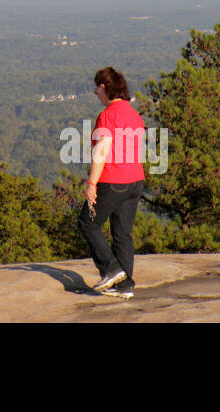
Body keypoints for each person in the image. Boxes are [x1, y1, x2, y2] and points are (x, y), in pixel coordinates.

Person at [78, 67, 145, 299]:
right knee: (122, 234)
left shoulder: (108, 115)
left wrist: (91, 183)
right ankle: (124, 287)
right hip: (135, 181)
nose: (96, 92)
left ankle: (110, 269)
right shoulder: (133, 114)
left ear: (104, 87)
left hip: (112, 180)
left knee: (88, 223)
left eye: (96, 87)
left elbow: (102, 150)